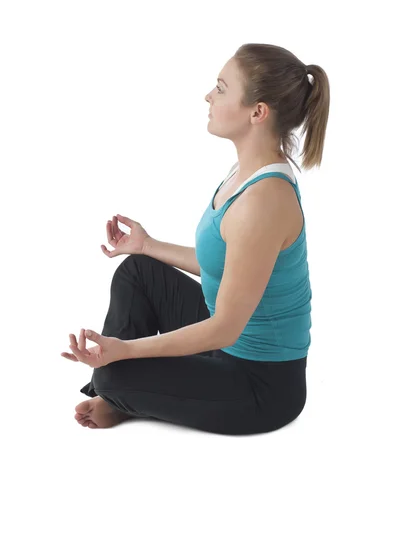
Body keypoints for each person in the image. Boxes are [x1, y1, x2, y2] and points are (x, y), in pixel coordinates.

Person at [62, 43, 330, 435]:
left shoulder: (264, 202)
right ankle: (123, 386)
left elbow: (225, 328)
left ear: (258, 112)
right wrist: (147, 245)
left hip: (261, 386)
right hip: (228, 346)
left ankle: (119, 390)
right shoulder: (246, 171)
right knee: (138, 271)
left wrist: (127, 351)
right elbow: (226, 268)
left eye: (221, 88)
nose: (208, 95)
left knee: (113, 376)